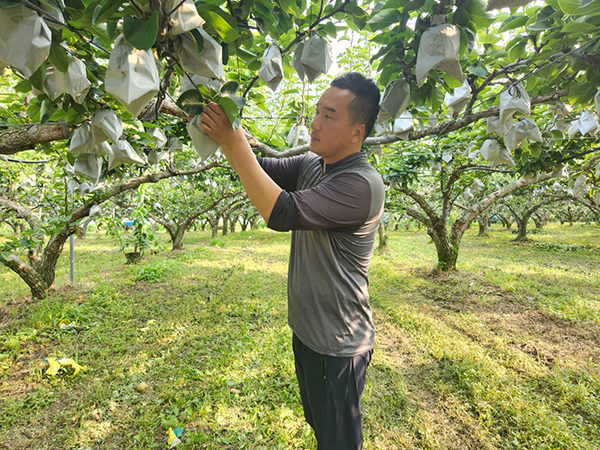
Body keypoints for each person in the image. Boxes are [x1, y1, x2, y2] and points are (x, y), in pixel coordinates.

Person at [199, 72, 385, 450]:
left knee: (339, 443)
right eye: (317, 111)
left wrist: (232, 141)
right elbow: (260, 167)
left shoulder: (361, 184)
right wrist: (228, 128)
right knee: (321, 427)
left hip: (338, 343)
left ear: (357, 131)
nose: (314, 123)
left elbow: (281, 213)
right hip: (308, 332)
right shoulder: (313, 166)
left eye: (329, 116)